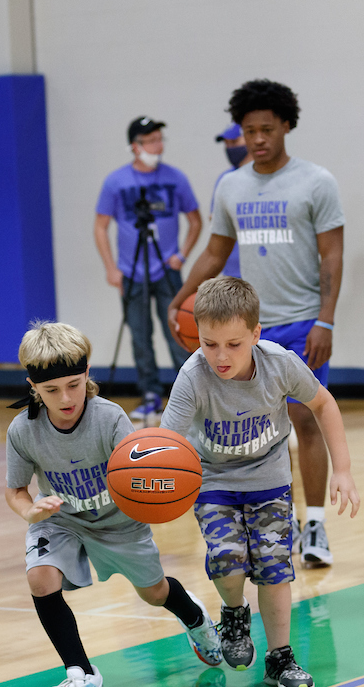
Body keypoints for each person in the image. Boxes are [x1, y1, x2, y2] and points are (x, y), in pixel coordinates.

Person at [5, 321, 222, 687]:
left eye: (73, 384)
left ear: (87, 375)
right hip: (61, 520)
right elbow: (16, 490)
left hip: (119, 521)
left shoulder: (110, 419)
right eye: (51, 390)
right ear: (33, 386)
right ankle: (83, 677)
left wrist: (157, 493)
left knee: (153, 593)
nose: (65, 397)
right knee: (40, 578)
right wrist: (29, 512)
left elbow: (138, 472)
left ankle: (192, 614)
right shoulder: (23, 430)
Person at [168, 81, 345, 567]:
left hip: (301, 319)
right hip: (247, 328)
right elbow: (214, 252)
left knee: (306, 418)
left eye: (267, 129)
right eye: (250, 131)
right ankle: (278, 513)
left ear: (286, 125)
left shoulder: (316, 182)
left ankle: (315, 525)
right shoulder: (231, 185)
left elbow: (332, 255)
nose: (259, 138)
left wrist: (325, 321)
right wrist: (182, 297)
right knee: (265, 429)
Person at [160, 277, 359, 687]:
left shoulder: (280, 363)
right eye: (209, 343)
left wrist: (342, 469)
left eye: (233, 344)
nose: (220, 356)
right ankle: (233, 613)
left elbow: (323, 403)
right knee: (228, 560)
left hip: (270, 481)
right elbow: (168, 443)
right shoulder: (192, 376)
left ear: (255, 334)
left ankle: (280, 658)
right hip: (213, 480)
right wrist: (154, 489)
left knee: (273, 568)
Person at [94, 116, 202, 425]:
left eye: (159, 139)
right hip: (131, 272)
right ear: (134, 146)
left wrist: (182, 254)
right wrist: (110, 268)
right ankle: (151, 395)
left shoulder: (175, 178)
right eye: (150, 140)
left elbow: (195, 220)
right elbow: (100, 227)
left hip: (167, 270)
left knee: (178, 332)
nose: (158, 146)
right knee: (140, 337)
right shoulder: (116, 182)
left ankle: (190, 394)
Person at [212, 123, 248, 279]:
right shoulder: (225, 179)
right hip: (232, 268)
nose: (230, 148)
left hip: (262, 268)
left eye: (234, 142)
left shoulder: (267, 178)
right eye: (226, 144)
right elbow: (215, 220)